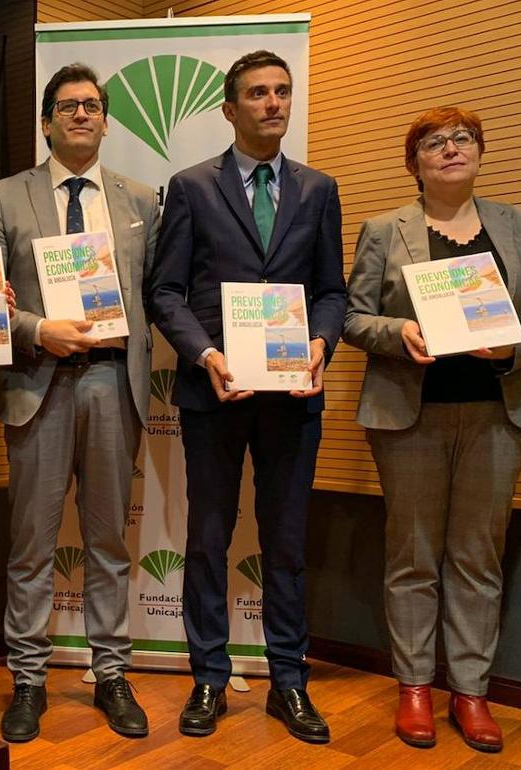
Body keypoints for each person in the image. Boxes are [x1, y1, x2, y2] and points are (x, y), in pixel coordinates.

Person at [343, 106, 521, 753]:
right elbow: (355, 317)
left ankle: (471, 693)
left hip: (499, 412)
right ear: (413, 163)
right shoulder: (384, 230)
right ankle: (414, 687)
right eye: (433, 143)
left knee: (477, 556)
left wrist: (513, 348)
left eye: (462, 138)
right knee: (411, 556)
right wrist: (399, 330)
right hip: (408, 415)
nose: (450, 149)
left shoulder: (517, 225)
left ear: (479, 151)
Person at [146, 50, 346, 742]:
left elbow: (332, 292)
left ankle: (289, 681)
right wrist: (204, 354)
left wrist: (321, 342)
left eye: (282, 92)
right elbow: (165, 291)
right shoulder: (192, 187)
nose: (273, 103)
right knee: (207, 539)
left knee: (286, 544)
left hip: (293, 398)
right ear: (230, 109)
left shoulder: (319, 190)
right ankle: (208, 676)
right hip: (215, 395)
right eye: (257, 93)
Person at [0, 63, 160, 742]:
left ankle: (111, 674)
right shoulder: (5, 196)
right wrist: (36, 331)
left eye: (92, 105)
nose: (81, 115)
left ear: (105, 119)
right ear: (47, 121)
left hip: (114, 381)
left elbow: (160, 295)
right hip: (36, 384)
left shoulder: (141, 200)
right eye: (67, 106)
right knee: (32, 543)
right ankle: (28, 679)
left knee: (109, 539)